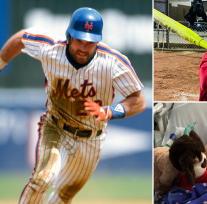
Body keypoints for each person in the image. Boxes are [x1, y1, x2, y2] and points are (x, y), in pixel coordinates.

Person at [0, 7, 145, 204]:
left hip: (91, 139)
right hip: (55, 127)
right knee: (42, 179)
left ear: (98, 41)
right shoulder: (50, 48)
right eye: (79, 40)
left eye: (90, 43)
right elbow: (20, 39)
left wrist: (109, 112)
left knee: (64, 195)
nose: (83, 48)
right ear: (69, 36)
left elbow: (138, 100)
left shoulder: (113, 62)